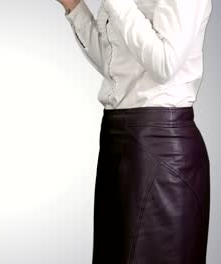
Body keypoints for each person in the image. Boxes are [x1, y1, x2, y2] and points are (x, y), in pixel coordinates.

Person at [56, 0, 213, 263]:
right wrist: (74, 7)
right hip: (118, 138)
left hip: (159, 150)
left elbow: (165, 64)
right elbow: (114, 64)